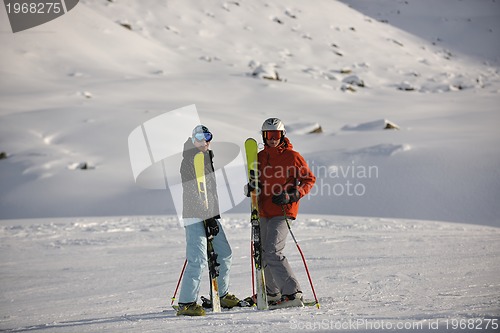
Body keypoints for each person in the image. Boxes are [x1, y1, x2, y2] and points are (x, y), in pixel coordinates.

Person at [247, 118, 316, 308]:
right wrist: (250, 189)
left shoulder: (293, 156)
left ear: (282, 135)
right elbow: (255, 182)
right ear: (264, 136)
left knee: (272, 250)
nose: (272, 139)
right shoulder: (259, 157)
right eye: (269, 135)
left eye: (276, 135)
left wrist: (293, 194)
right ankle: (271, 291)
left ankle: (293, 293)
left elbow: (309, 179)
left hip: (283, 211)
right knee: (260, 252)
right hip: (263, 210)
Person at [177, 125, 240, 316]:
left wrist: (212, 216)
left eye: (207, 137)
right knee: (198, 260)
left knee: (225, 253)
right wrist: (207, 216)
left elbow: (208, 192)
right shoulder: (189, 159)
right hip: (195, 215)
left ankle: (221, 294)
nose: (203, 141)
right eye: (199, 137)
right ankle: (186, 303)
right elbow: (194, 192)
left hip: (210, 215)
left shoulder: (205, 158)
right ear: (192, 139)